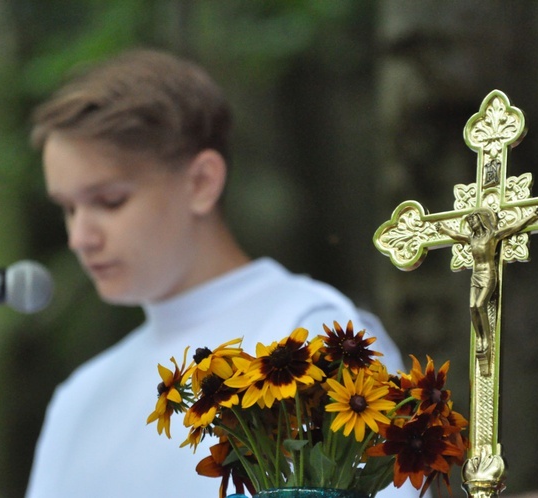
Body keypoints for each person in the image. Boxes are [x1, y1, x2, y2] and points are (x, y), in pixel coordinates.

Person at [25, 49, 418, 497]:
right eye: (69, 209)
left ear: (201, 183)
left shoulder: (312, 334)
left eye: (109, 201)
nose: (80, 237)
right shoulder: (79, 400)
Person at [435, 206, 538, 375]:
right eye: (469, 221)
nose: (471, 222)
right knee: (472, 307)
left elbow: (514, 227)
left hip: (488, 274)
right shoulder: (471, 238)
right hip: (476, 276)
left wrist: (532, 217)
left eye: (474, 219)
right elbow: (456, 235)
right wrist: (443, 229)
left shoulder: (492, 236)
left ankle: (486, 342)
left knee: (479, 305)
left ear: (481, 220)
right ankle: (480, 338)